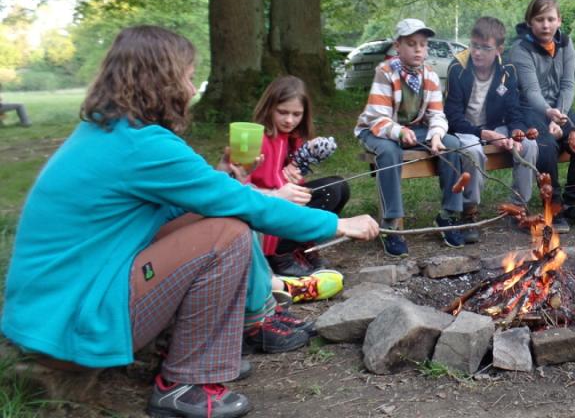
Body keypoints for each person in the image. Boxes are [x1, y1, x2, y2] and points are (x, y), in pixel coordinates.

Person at [0, 26, 378, 418]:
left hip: (50, 316)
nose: (191, 85)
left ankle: (246, 321)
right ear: (160, 79)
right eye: (186, 73)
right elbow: (243, 205)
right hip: (73, 328)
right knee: (226, 232)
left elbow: (203, 201)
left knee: (216, 215)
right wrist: (338, 225)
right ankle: (184, 383)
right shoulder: (142, 145)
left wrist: (226, 179)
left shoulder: (107, 132)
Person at [355, 18, 464, 257]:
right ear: (398, 46)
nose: (418, 49)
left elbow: (437, 115)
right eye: (412, 44)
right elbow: (378, 118)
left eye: (423, 45)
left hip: (413, 128)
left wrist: (436, 137)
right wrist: (400, 132)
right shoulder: (385, 72)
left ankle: (448, 215)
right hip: (377, 129)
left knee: (453, 145)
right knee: (389, 151)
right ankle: (391, 224)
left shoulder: (431, 76)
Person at [505, 0, 575, 232]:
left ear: (559, 20)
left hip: (560, 108)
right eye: (539, 19)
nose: (545, 25)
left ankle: (574, 204)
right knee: (546, 145)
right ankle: (553, 205)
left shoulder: (566, 44)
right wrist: (549, 114)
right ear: (530, 22)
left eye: (550, 19)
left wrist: (561, 116)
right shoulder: (520, 49)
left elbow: (568, 84)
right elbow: (530, 91)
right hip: (529, 108)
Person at [445, 17, 539, 242]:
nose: (477, 53)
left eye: (485, 48)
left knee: (529, 144)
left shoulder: (507, 71)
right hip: (465, 129)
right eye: (474, 45)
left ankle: (517, 209)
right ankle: (470, 213)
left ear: (498, 49)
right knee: (473, 151)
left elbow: (514, 111)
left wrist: (516, 132)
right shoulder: (457, 67)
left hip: (496, 126)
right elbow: (453, 117)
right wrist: (485, 135)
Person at [246, 75, 349, 277]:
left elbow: (293, 175)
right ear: (269, 107)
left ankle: (302, 247)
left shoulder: (293, 138)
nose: (289, 120)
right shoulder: (254, 139)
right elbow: (238, 188)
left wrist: (303, 158)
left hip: (286, 208)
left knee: (338, 187)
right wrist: (275, 193)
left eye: (296, 114)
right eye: (282, 112)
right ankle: (280, 255)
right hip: (265, 214)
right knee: (326, 193)